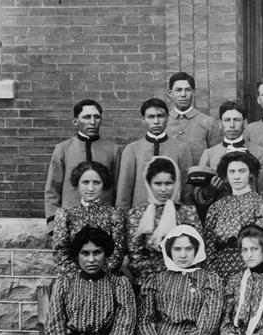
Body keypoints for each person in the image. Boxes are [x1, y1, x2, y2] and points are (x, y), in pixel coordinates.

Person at [44, 99, 122, 231]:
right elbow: (53, 188)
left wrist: (116, 221)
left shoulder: (113, 150)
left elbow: (119, 189)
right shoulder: (63, 149)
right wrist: (53, 221)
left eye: (96, 117)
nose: (92, 122)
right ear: (75, 121)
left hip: (104, 222)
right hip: (70, 221)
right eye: (86, 117)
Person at [126, 156, 202, 285]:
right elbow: (135, 254)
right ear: (149, 184)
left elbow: (196, 249)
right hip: (146, 282)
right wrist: (156, 280)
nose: (163, 189)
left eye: (168, 183)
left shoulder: (187, 212)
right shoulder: (137, 214)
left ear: (175, 183)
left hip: (182, 281)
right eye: (158, 184)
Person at [204, 151, 263, 285]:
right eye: (232, 172)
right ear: (226, 175)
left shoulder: (262, 204)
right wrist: (214, 279)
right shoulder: (215, 208)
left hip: (251, 274)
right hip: (220, 275)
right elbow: (209, 249)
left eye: (242, 171)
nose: (236, 176)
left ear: (250, 174)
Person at [116, 98, 194, 209]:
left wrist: (186, 214)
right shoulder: (132, 149)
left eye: (160, 116)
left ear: (167, 118)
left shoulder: (181, 148)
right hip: (139, 213)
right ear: (143, 119)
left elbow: (187, 189)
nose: (156, 121)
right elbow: (124, 190)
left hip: (173, 213)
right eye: (151, 117)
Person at [195, 101, 263, 207]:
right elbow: (199, 195)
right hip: (218, 213)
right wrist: (209, 191)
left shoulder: (259, 153)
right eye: (227, 120)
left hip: (251, 213)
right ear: (220, 124)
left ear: (245, 123)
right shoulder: (209, 154)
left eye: (236, 120)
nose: (232, 125)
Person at [52, 161, 125, 276]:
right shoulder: (66, 215)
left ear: (104, 184)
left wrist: (99, 276)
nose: (90, 188)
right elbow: (60, 254)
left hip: (107, 279)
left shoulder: (114, 214)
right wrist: (81, 278)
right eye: (85, 182)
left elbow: (117, 253)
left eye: (96, 182)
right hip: (74, 280)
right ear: (78, 183)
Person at [165, 72, 221, 164]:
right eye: (178, 90)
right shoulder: (162, 122)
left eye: (187, 90)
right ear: (170, 93)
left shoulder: (209, 123)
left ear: (194, 92)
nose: (183, 94)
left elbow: (216, 158)